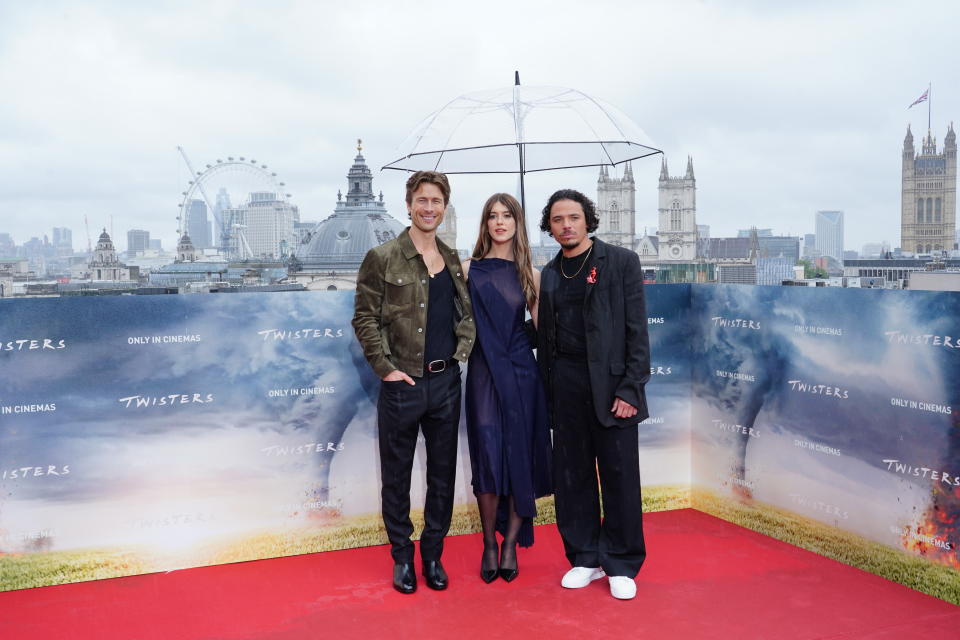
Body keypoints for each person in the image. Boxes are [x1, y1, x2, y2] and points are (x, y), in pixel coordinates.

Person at [352, 170, 476, 594]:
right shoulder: (382, 257)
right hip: (402, 384)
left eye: (436, 202)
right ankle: (402, 557)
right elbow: (365, 318)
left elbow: (465, 314)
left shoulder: (453, 259)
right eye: (421, 200)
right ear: (409, 205)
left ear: (444, 207)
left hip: (446, 384)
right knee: (397, 476)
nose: (428, 208)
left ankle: (433, 555)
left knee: (442, 476)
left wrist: (460, 355)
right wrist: (386, 368)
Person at [535, 188, 651, 601]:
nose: (566, 225)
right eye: (558, 219)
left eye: (574, 217)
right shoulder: (548, 273)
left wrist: (631, 388)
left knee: (619, 475)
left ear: (588, 220)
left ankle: (620, 561)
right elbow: (544, 338)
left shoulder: (620, 262)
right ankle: (585, 557)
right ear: (549, 227)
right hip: (564, 385)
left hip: (612, 387)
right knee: (572, 477)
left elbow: (637, 331)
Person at [461, 193, 552, 584]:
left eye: (507, 215)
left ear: (517, 222)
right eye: (493, 216)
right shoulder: (467, 268)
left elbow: (543, 332)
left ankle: (511, 544)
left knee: (519, 454)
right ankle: (487, 543)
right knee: (487, 453)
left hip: (521, 374)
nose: (500, 222)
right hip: (482, 369)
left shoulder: (532, 273)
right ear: (485, 223)